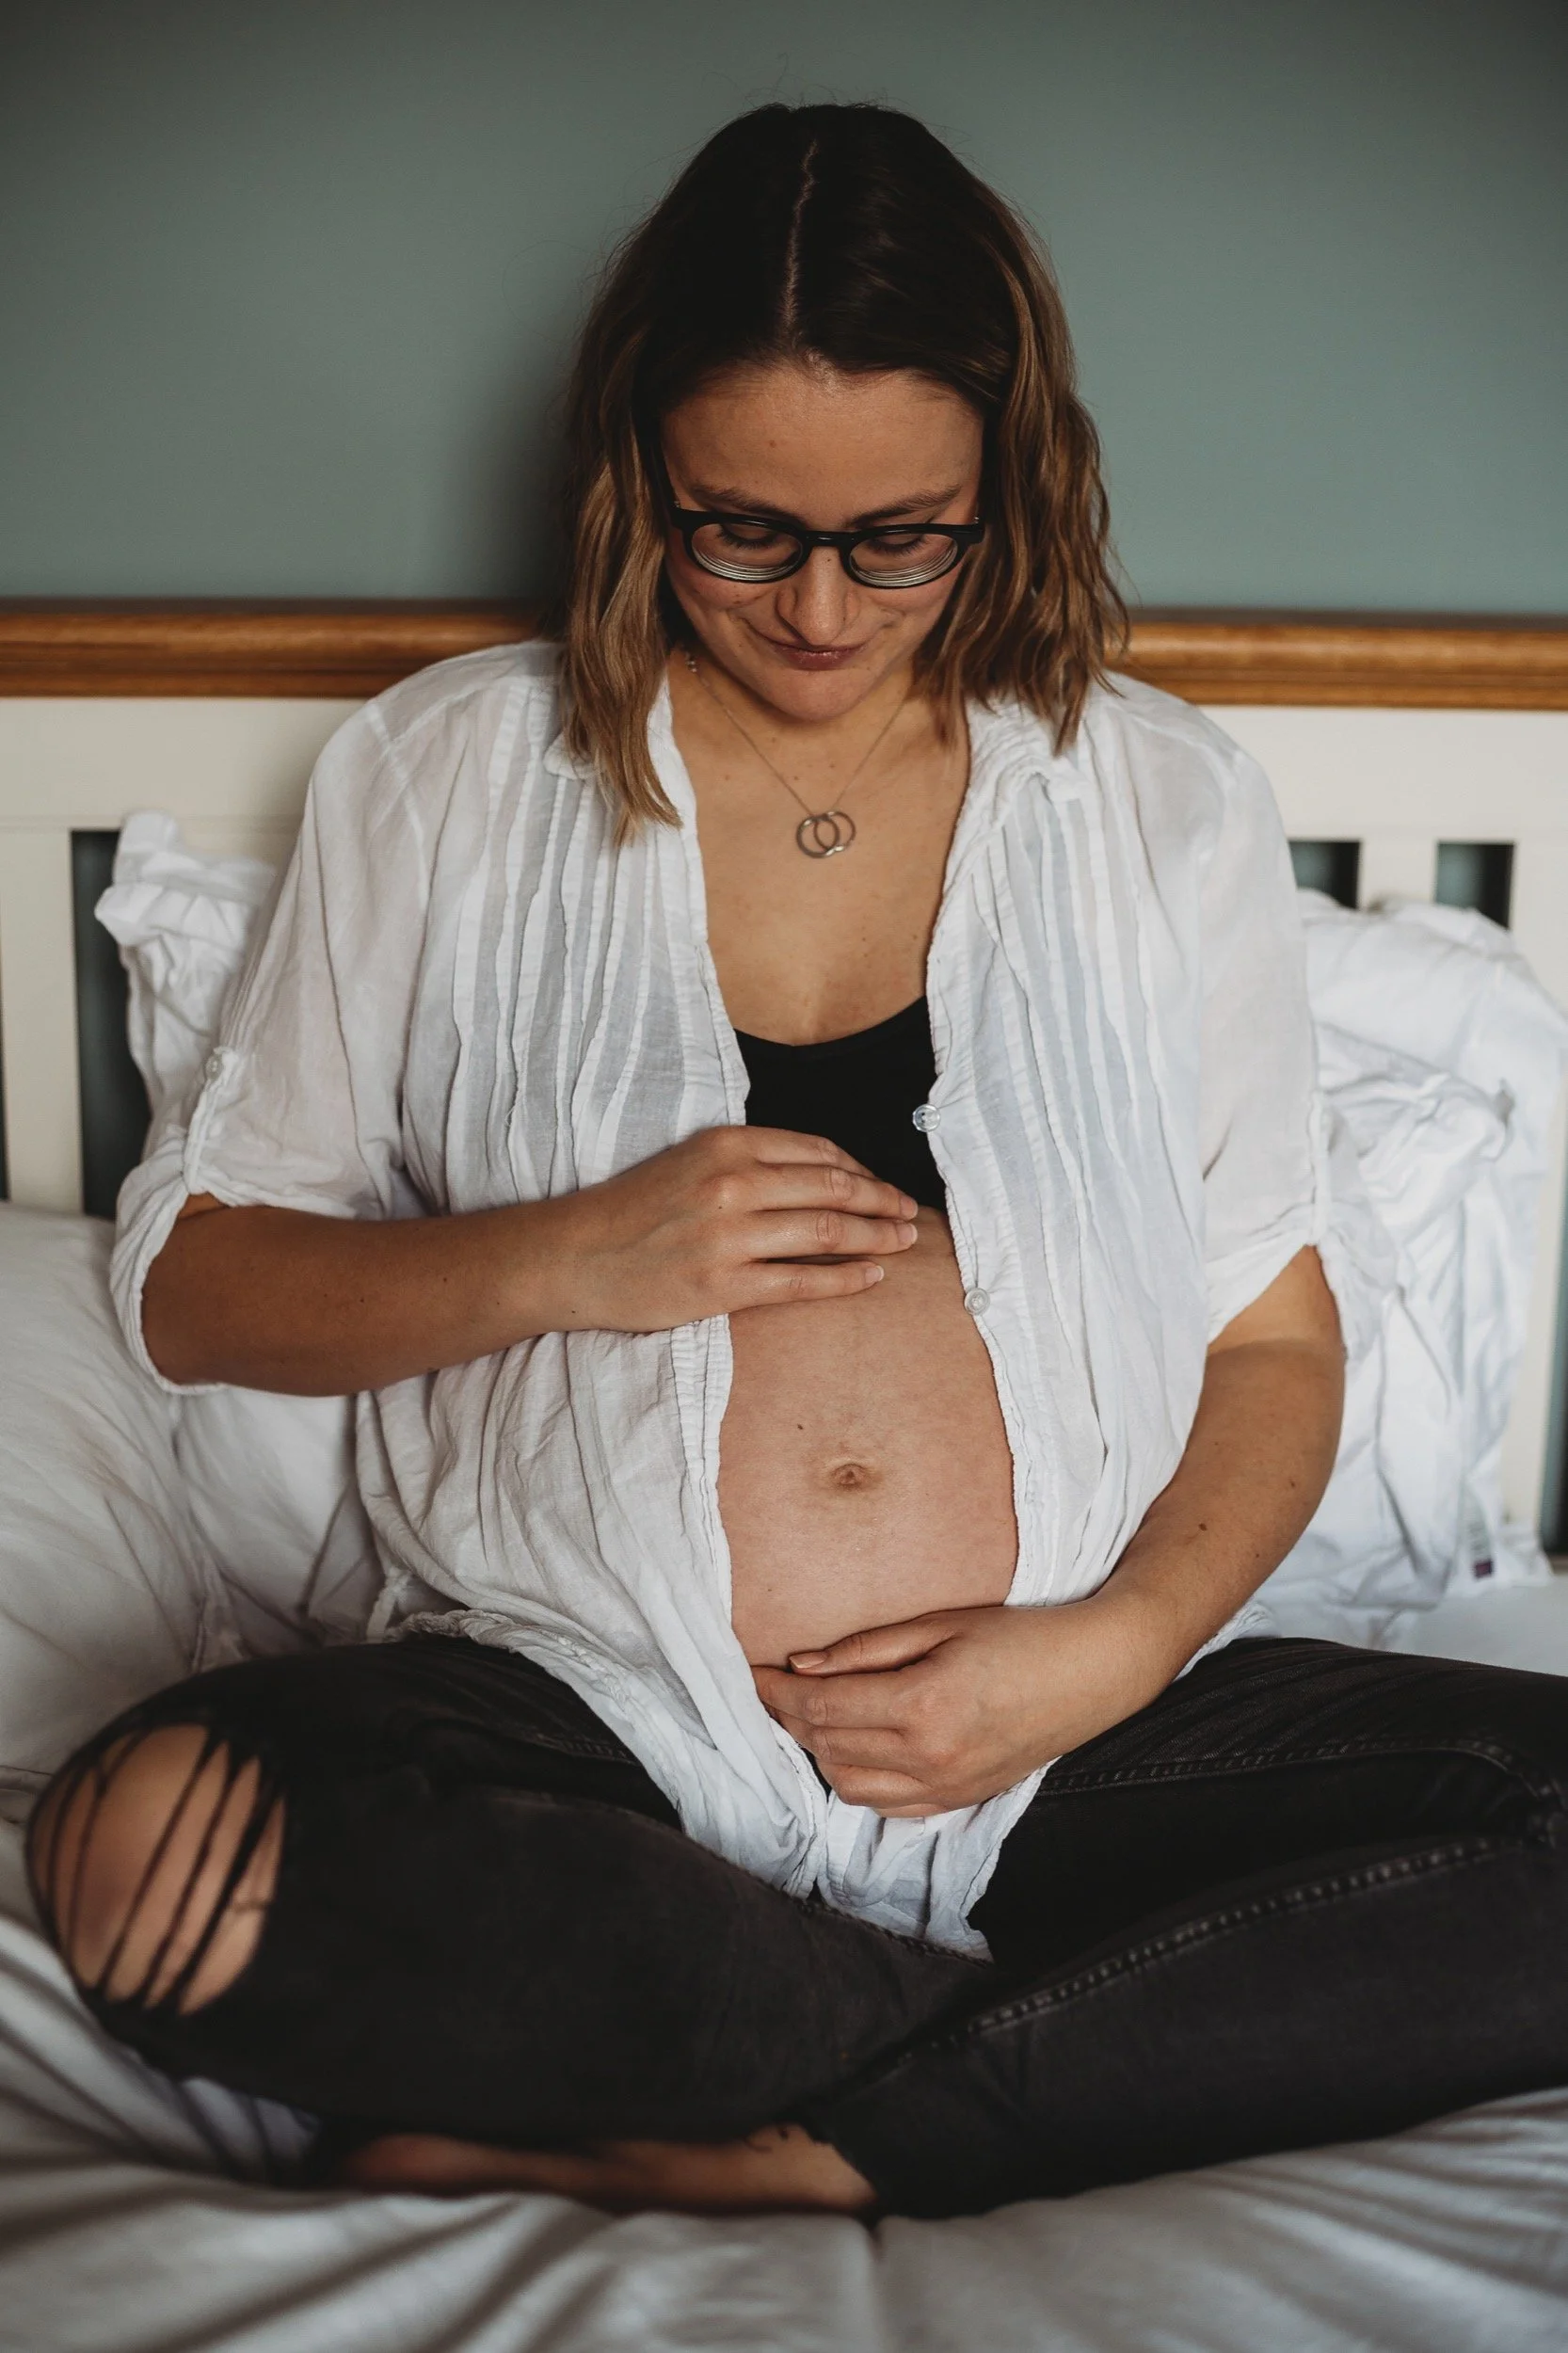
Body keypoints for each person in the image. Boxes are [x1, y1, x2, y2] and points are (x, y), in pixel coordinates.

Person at [26, 103, 1568, 2222]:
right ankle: (1093, 2039)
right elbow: (200, 1276)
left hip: (1070, 1738)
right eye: (738, 530)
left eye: (899, 537)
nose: (822, 607)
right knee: (137, 1839)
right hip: (585, 1721)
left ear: (1002, 486)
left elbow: (1275, 1346)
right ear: (630, 474)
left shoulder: (1158, 798)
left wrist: (1103, 1648)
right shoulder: (448, 773)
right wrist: (565, 1256)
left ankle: (829, 2126)